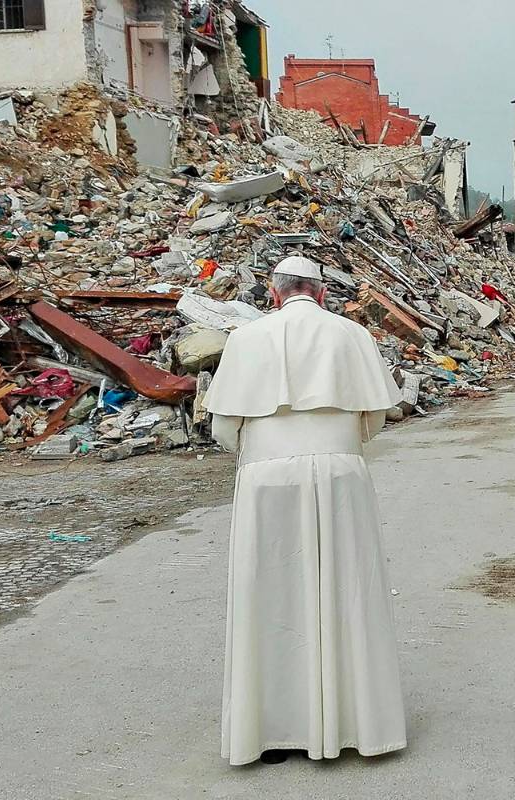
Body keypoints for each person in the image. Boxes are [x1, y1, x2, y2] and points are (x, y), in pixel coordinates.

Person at [204, 255, 407, 766]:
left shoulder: (246, 339)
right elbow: (377, 416)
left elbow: (224, 428)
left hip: (266, 478)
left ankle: (271, 733)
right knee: (348, 592)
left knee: (269, 600)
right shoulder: (352, 336)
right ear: (321, 293)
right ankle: (358, 728)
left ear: (273, 295)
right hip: (341, 472)